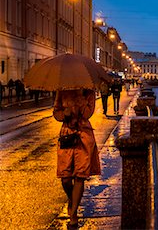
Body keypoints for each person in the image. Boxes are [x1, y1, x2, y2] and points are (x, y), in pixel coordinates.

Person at [53, 89, 100, 228]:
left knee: (80, 175)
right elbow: (56, 112)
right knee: (66, 178)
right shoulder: (62, 90)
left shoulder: (89, 92)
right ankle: (72, 199)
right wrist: (63, 114)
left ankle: (73, 214)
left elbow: (88, 113)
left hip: (84, 136)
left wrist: (80, 98)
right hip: (67, 135)